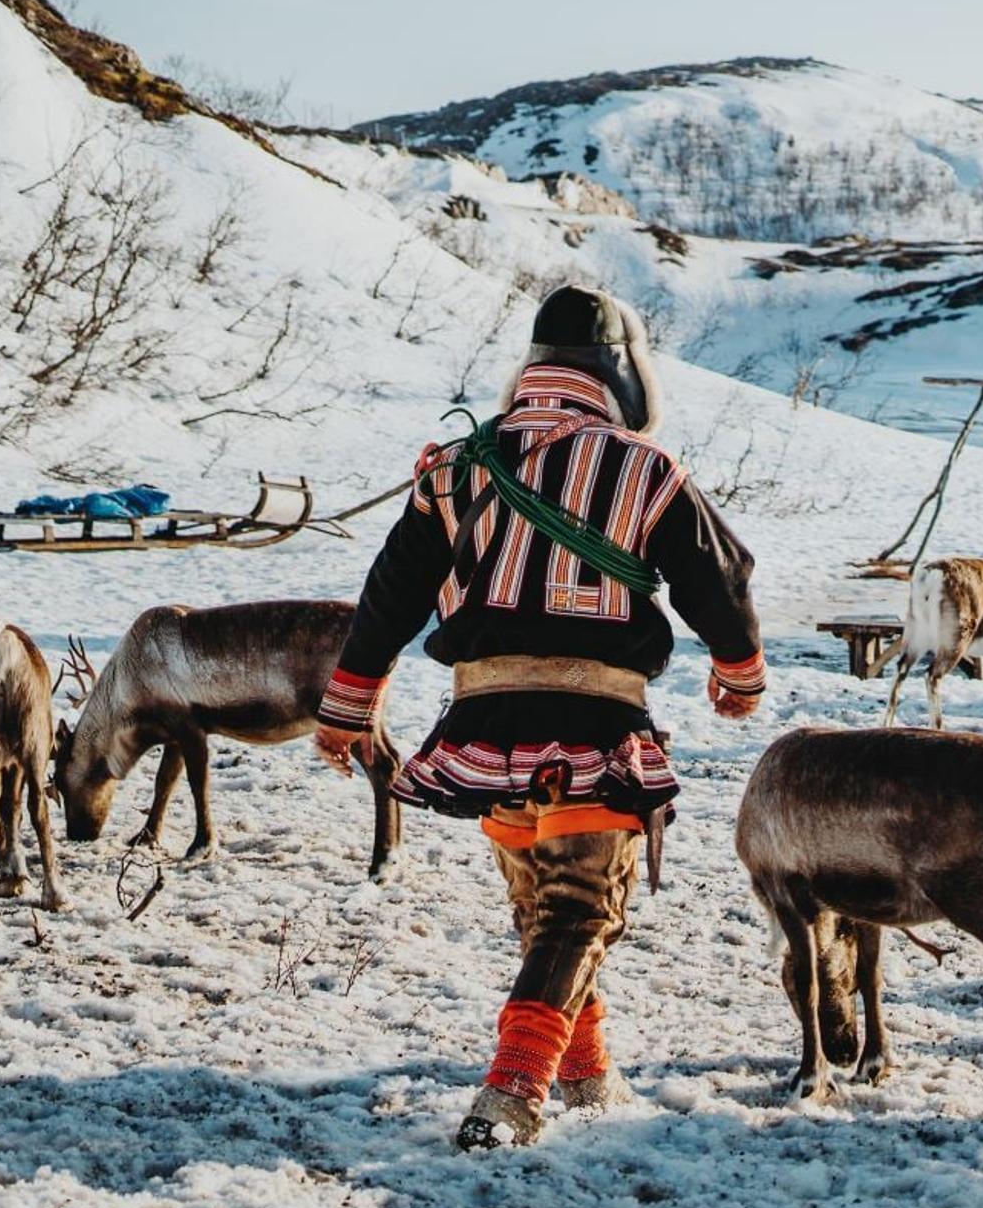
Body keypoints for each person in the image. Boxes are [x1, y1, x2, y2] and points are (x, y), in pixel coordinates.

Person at [313, 285, 765, 1150]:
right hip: (595, 727)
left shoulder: (453, 469)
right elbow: (721, 578)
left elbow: (389, 595)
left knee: (544, 911)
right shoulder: (645, 468)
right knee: (579, 912)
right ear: (621, 373)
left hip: (481, 730)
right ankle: (512, 1090)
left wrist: (349, 706)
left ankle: (586, 1071)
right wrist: (739, 674)